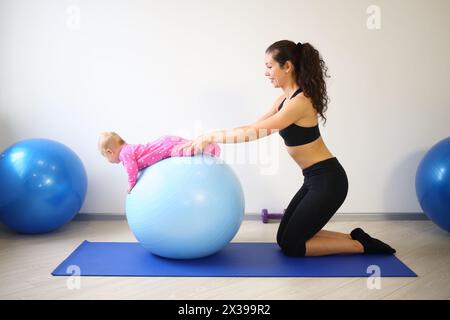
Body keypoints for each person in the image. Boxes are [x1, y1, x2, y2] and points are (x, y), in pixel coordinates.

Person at [181, 40, 396, 257]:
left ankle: (361, 246)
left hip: (329, 181)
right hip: (314, 179)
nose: (266, 73)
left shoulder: (300, 103)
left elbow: (254, 133)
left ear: (287, 66)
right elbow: (252, 127)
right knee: (283, 238)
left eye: (269, 66)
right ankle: (355, 236)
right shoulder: (284, 99)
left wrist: (212, 137)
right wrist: (209, 135)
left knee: (293, 245)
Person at [98, 132, 220, 193]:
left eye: (105, 157)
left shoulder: (125, 154)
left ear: (110, 152)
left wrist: (131, 184)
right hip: (165, 142)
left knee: (187, 150)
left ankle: (209, 147)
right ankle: (202, 142)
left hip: (165, 148)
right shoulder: (129, 149)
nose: (108, 160)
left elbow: (131, 169)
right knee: (187, 144)